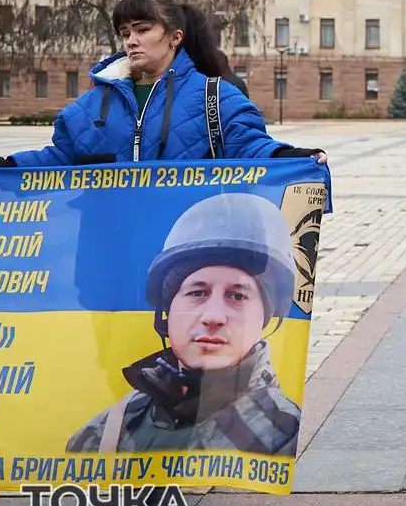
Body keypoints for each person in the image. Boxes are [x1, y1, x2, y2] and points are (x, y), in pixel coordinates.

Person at [0, 0, 326, 169]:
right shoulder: (92, 106)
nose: (131, 40)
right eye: (125, 32)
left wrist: (295, 158)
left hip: (184, 259)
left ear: (174, 37)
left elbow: (251, 148)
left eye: (143, 29)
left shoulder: (216, 99)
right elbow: (57, 160)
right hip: (103, 262)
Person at [66, 192, 301, 455]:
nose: (213, 317)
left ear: (265, 317)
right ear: (167, 310)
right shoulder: (105, 434)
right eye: (197, 293)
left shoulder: (290, 436)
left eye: (237, 296)